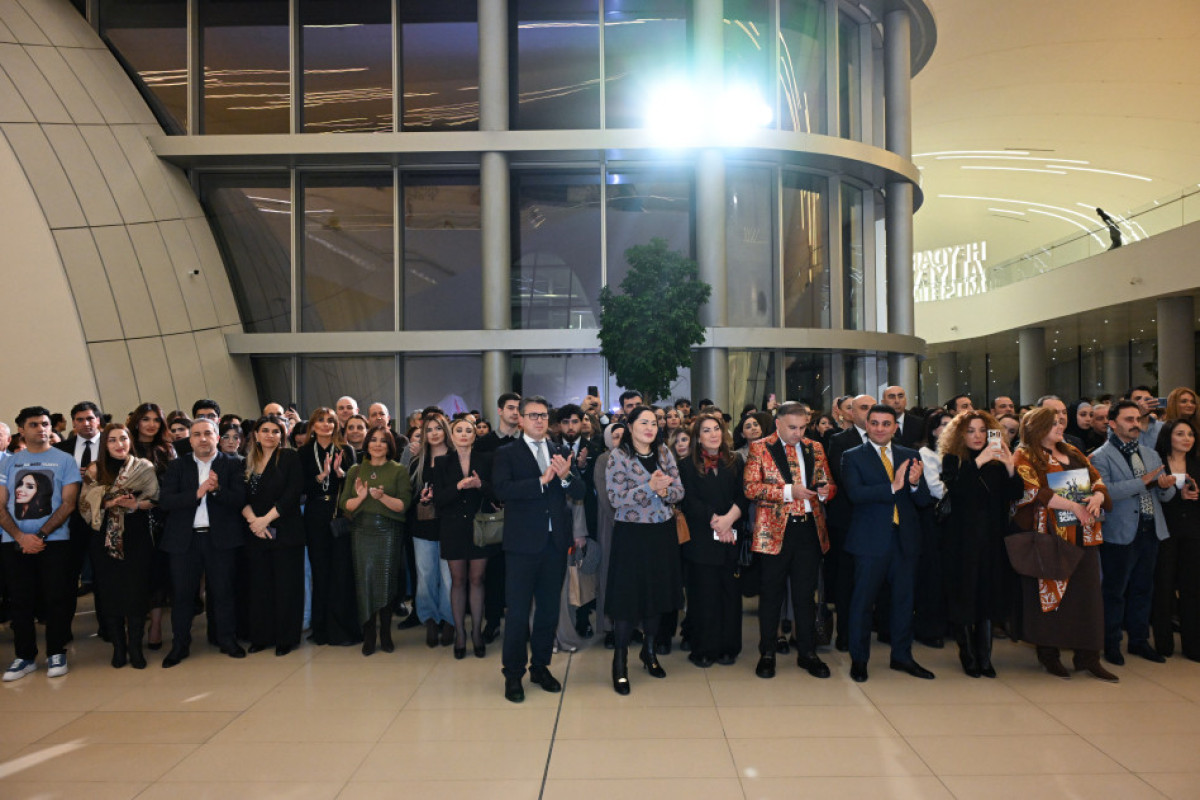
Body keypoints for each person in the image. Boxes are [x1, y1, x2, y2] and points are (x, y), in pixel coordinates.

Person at [1011, 406, 1115, 681]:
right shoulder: (1024, 455)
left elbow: (1096, 478)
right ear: (1038, 429)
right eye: (1053, 424)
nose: (1060, 427)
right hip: (1050, 534)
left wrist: (1098, 497)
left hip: (1084, 533)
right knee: (1052, 595)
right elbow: (1032, 491)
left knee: (1087, 595)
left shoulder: (1072, 451)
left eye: (1060, 422)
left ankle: (1088, 657)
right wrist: (1072, 505)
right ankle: (1049, 655)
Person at [493, 396, 584, 702]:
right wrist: (540, 482)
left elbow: (580, 490)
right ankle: (513, 674)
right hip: (521, 546)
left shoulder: (560, 451)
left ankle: (540, 667)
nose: (539, 420)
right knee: (518, 613)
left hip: (555, 545)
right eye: (533, 415)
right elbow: (501, 489)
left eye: (543, 415)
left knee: (548, 611)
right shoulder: (507, 453)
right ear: (520, 419)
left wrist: (566, 476)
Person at [841, 404, 934, 683]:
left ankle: (902, 656)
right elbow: (856, 494)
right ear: (866, 425)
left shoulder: (910, 455)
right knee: (862, 603)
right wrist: (894, 486)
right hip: (869, 541)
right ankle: (859, 659)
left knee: (904, 602)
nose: (880, 428)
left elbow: (923, 500)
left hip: (904, 541)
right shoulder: (852, 456)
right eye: (875, 423)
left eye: (886, 424)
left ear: (895, 427)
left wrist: (914, 484)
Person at [743, 402, 834, 679]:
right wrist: (787, 491)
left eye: (803, 427)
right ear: (778, 424)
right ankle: (767, 652)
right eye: (792, 427)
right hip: (774, 532)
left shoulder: (815, 447)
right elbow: (750, 488)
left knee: (805, 596)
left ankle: (807, 652)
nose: (798, 433)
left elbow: (829, 484)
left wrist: (825, 492)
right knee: (771, 594)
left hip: (809, 529)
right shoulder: (760, 448)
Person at [937, 411, 1024, 677]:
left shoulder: (999, 460)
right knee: (964, 596)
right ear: (960, 435)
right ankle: (968, 655)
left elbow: (1016, 493)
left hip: (993, 538)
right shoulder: (953, 459)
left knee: (988, 596)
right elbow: (958, 490)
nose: (977, 436)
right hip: (961, 540)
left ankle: (985, 657)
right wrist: (980, 461)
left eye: (983, 430)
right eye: (971, 431)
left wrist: (1009, 465)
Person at [605, 405, 684, 694]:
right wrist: (650, 487)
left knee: (657, 595)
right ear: (630, 426)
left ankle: (648, 652)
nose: (650, 428)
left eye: (653, 423)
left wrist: (665, 491)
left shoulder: (664, 453)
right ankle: (620, 662)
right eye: (643, 423)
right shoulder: (619, 456)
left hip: (661, 533)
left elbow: (679, 491)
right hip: (631, 535)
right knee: (627, 600)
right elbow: (616, 499)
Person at [1090, 399, 1176, 666]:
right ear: (1112, 423)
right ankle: (1111, 643)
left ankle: (1139, 641)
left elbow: (1164, 495)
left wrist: (1165, 486)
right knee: (1115, 592)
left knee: (1143, 589)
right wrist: (1144, 481)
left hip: (1150, 530)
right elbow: (1108, 493)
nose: (1135, 424)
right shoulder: (1099, 456)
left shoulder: (1150, 454)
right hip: (1120, 532)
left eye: (1137, 419)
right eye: (1129, 419)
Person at [156, 418, 248, 667]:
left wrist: (217, 490)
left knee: (223, 592)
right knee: (182, 596)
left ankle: (227, 640)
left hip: (221, 540)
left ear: (217, 437)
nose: (203, 438)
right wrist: (196, 493)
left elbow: (239, 500)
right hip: (184, 541)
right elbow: (166, 501)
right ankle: (179, 645)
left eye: (208, 433)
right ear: (190, 440)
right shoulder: (177, 466)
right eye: (197, 434)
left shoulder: (233, 464)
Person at [0, 407, 82, 681]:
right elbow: (0, 504)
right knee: (20, 600)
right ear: (21, 430)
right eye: (34, 424)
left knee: (56, 598)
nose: (42, 429)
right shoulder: (8, 462)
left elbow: (68, 504)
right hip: (14, 542)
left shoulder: (65, 460)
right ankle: (24, 657)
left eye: (45, 424)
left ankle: (56, 652)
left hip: (55, 541)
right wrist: (20, 536)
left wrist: (41, 535)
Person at [79, 423, 160, 669]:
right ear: (105, 444)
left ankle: (135, 647)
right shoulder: (95, 469)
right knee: (110, 594)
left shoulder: (143, 466)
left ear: (130, 441)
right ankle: (118, 647)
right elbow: (84, 504)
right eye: (112, 440)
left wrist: (135, 505)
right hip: (103, 538)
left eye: (123, 438)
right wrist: (109, 502)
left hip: (136, 537)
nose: (119, 444)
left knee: (136, 594)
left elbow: (154, 498)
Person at [678, 413, 745, 667]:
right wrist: (717, 521)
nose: (713, 434)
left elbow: (744, 494)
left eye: (716, 429)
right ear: (698, 437)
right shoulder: (687, 465)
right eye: (706, 430)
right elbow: (689, 500)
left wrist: (729, 519)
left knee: (730, 594)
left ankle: (729, 647)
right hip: (702, 537)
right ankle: (704, 648)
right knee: (704, 595)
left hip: (731, 535)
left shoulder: (735, 460)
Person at [339, 425, 412, 655]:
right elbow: (345, 505)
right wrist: (361, 497)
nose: (378, 445)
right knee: (365, 581)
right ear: (367, 443)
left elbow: (403, 505)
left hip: (389, 531)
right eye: (373, 440)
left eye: (383, 441)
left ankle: (386, 633)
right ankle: (369, 633)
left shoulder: (398, 470)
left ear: (389, 446)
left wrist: (382, 497)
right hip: (361, 531)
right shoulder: (355, 470)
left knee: (386, 582)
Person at [240, 415, 305, 657]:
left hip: (285, 531)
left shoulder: (289, 457)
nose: (270, 435)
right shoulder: (246, 461)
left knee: (286, 587)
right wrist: (254, 522)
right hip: (255, 533)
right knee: (260, 586)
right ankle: (261, 637)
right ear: (256, 435)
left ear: (282, 435)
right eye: (265, 430)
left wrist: (265, 520)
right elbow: (240, 496)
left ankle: (285, 638)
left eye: (275, 431)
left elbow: (292, 493)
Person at [432, 417, 496, 659]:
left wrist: (480, 485)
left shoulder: (486, 459)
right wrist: (458, 487)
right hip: (453, 527)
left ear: (474, 435)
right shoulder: (442, 462)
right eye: (458, 430)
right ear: (452, 435)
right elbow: (438, 499)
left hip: (480, 527)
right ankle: (460, 634)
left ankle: (476, 632)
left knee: (477, 579)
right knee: (458, 581)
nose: (463, 434)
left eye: (468, 430)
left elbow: (497, 493)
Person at [299, 407, 359, 647]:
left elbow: (355, 485)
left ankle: (342, 627)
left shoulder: (346, 450)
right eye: (320, 420)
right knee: (320, 571)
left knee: (341, 571)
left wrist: (340, 473)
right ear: (313, 425)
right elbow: (299, 486)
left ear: (336, 425)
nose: (326, 424)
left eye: (330, 421)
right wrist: (321, 476)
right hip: (315, 513)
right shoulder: (303, 452)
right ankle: (321, 628)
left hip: (339, 513)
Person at [822, 394, 876, 651]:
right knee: (846, 580)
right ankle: (845, 634)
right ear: (850, 413)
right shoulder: (839, 440)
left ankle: (870, 630)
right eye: (864, 408)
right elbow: (845, 477)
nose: (869, 412)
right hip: (848, 520)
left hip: (878, 519)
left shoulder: (887, 439)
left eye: (873, 408)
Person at [408, 413, 455, 647]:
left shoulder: (457, 458)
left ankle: (449, 619)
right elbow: (410, 494)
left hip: (451, 525)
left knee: (449, 577)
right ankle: (429, 618)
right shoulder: (417, 462)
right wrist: (423, 497)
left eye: (438, 428)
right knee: (425, 575)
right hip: (423, 525)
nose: (434, 433)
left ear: (446, 430)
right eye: (429, 429)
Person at [1154, 420, 1200, 660]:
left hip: (1193, 532)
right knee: (1164, 587)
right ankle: (1163, 643)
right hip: (1165, 531)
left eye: (1190, 434)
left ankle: (1193, 645)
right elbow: (1151, 495)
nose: (1186, 438)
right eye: (1180, 433)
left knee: (1192, 588)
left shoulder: (1197, 464)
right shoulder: (1157, 463)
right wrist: (1174, 494)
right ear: (1168, 437)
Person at [593, 422, 626, 649]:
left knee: (630, 578)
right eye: (615, 436)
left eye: (623, 436)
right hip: (610, 523)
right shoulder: (603, 460)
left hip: (634, 525)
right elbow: (605, 496)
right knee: (608, 576)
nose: (620, 440)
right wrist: (621, 520)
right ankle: (610, 627)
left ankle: (631, 625)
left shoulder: (634, 458)